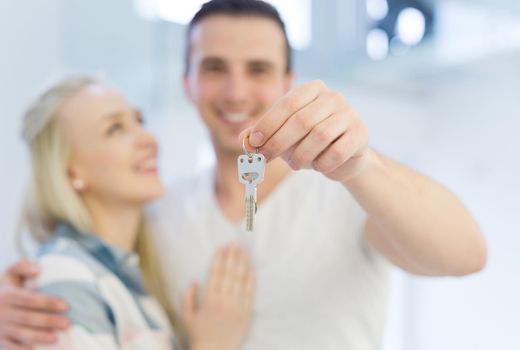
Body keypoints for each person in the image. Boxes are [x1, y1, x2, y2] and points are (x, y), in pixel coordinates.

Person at [0, 1, 487, 349]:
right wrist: (17, 298)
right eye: (214, 68)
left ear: (285, 83)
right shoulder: (154, 215)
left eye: (258, 69)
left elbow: (466, 254)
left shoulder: (346, 191)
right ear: (187, 82)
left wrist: (362, 163)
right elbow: (92, 278)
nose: (235, 91)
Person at [0, 76, 255, 350]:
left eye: (139, 121)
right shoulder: (63, 276)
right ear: (70, 170)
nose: (147, 139)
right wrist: (212, 345)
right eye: (115, 129)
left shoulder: (130, 282)